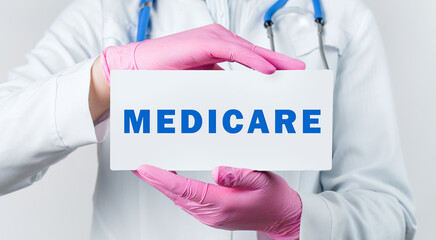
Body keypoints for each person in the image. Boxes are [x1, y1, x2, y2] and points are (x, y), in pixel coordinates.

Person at [0, 0, 417, 239]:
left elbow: (391, 214)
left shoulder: (343, 20)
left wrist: (298, 219)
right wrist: (105, 77)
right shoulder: (109, 12)